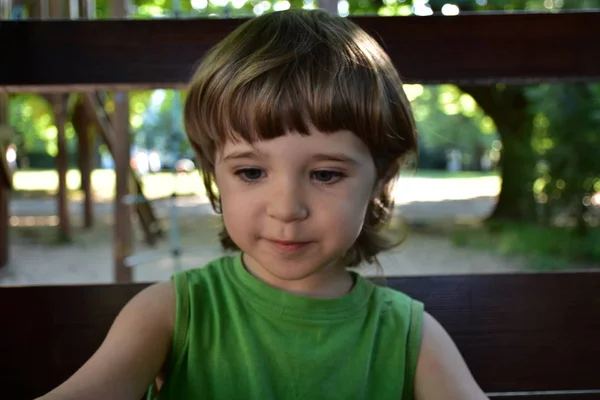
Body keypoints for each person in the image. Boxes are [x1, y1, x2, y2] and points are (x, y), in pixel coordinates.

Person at [37, 9, 488, 400]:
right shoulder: (170, 314)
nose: (286, 208)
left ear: (380, 180)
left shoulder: (410, 339)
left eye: (326, 174)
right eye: (251, 172)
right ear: (215, 175)